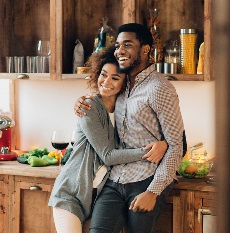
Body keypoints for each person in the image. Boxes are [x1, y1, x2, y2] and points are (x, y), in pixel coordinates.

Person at [74, 23, 185, 233]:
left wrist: (153, 192)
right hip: (115, 179)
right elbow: (101, 96)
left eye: (127, 44)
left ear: (145, 49)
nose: (120, 50)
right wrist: (80, 102)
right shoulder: (122, 84)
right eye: (117, 45)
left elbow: (176, 146)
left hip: (146, 180)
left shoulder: (160, 89)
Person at [48, 46, 168, 233]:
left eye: (115, 78)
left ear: (125, 82)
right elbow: (109, 156)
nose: (106, 81)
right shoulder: (89, 107)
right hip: (71, 195)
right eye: (103, 74)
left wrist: (164, 143)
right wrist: (151, 150)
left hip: (95, 198)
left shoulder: (125, 110)